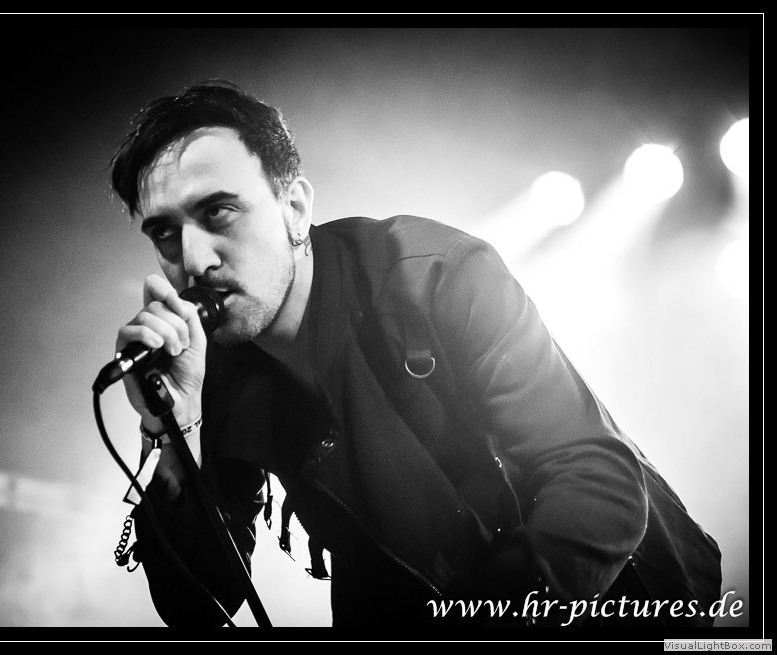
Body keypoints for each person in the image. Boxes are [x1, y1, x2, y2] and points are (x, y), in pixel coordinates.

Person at [104, 79, 722, 630]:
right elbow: (198, 602)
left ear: (294, 207)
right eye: (165, 233)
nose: (194, 261)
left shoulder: (435, 275)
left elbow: (595, 476)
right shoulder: (211, 365)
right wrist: (172, 433)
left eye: (218, 212)